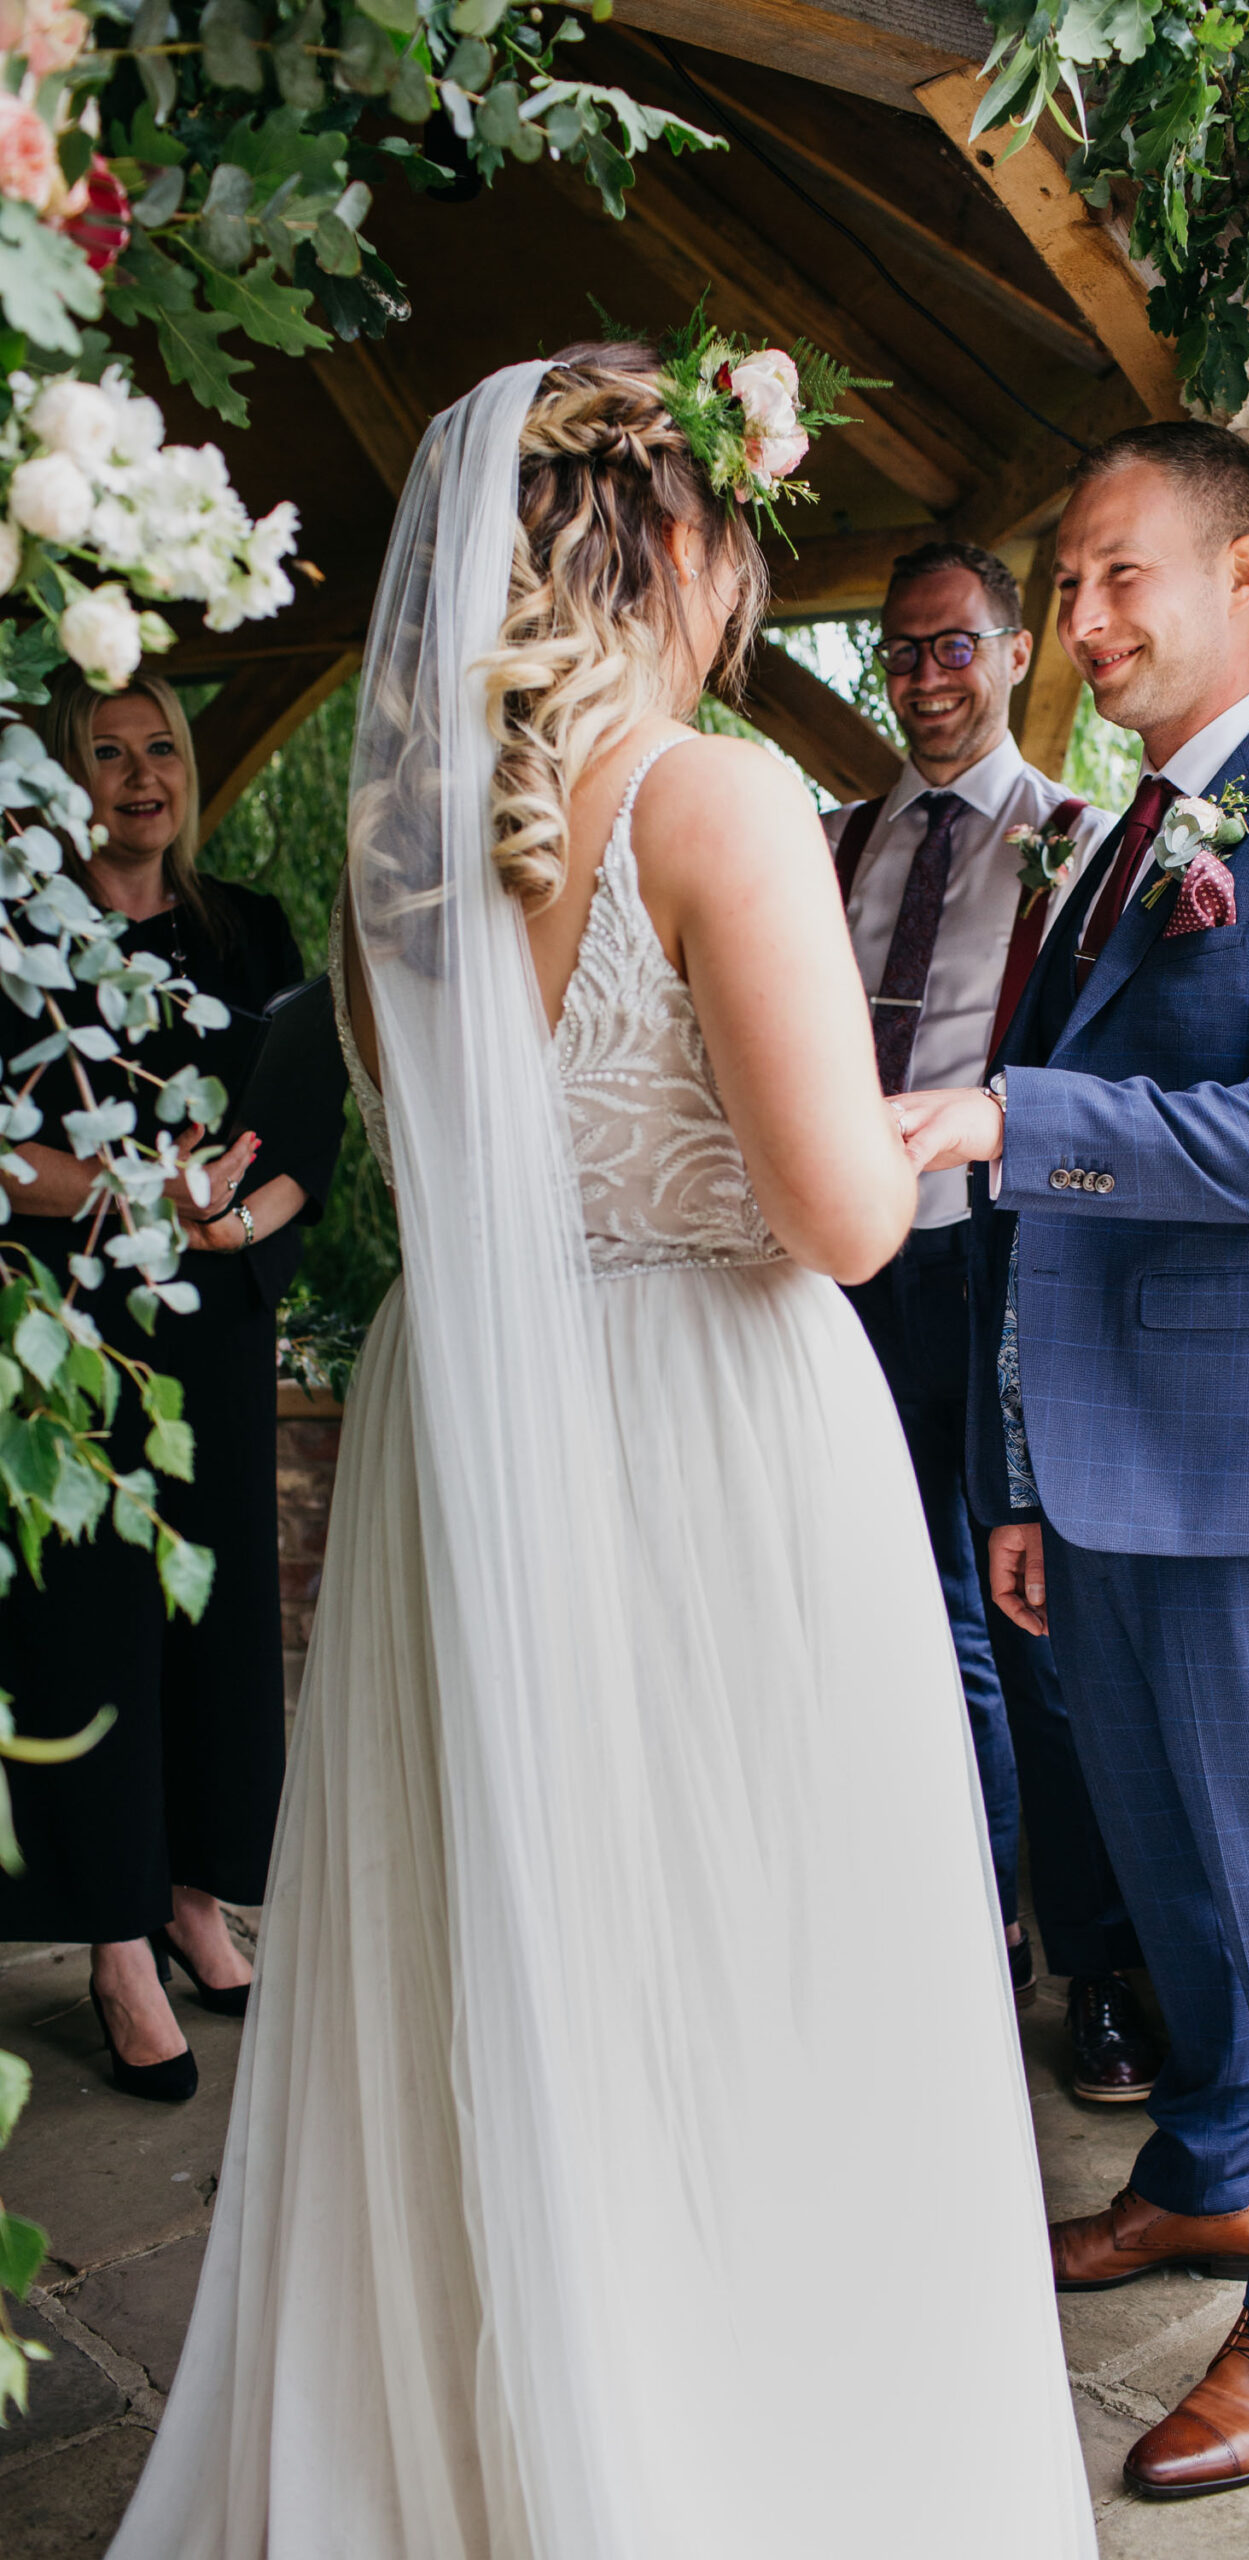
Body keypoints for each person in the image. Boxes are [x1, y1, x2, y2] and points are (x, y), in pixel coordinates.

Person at [107, 345, 1095, 2560]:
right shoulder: (716, 798)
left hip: (462, 1434)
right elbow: (835, 1213)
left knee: (506, 1944)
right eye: (732, 538)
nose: (742, 586)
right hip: (716, 1443)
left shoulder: (396, 836)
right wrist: (927, 1123)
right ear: (658, 536)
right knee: (751, 1961)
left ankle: (494, 2439)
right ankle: (751, 2441)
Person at [895, 420, 1249, 2501]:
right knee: (1156, 1869)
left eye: (1122, 572)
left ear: (1244, 576)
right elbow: (1075, 1221)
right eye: (1065, 581)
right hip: (1100, 1481)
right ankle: (1217, 2162)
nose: (1083, 616)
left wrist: (1002, 1109)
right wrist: (1030, 1480)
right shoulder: (1113, 840)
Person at [826, 539, 1154, 2101]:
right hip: (843, 1274)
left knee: (1031, 1628)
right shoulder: (831, 846)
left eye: (952, 648)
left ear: (1017, 654)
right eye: (899, 655)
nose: (925, 680)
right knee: (884, 1609)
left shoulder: (1083, 846)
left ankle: (1094, 1968)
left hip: (1002, 1268)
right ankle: (954, 1932)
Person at [0, 672, 344, 2101]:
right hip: (66, 1326)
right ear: (61, 784)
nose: (141, 776)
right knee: (87, 1617)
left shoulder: (250, 929)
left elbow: (304, 1128)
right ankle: (116, 1937)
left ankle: (200, 1891)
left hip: (208, 1315)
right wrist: (141, 1194)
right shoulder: (17, 943)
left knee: (211, 1620)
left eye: (160, 751)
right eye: (107, 754)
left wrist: (232, 1224)